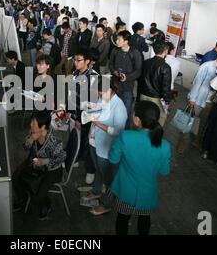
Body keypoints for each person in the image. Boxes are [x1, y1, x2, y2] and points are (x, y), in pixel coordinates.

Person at [109, 101, 171, 235]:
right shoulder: (165, 145)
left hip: (125, 191)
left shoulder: (125, 136)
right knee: (144, 220)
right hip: (147, 193)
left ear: (137, 120)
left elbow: (113, 159)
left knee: (122, 220)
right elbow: (164, 171)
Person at [85, 77, 128, 215]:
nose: (99, 94)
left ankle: (106, 203)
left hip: (106, 146)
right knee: (98, 169)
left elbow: (119, 131)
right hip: (94, 141)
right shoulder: (103, 98)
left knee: (109, 177)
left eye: (102, 91)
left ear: (112, 89)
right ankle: (97, 190)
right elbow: (97, 112)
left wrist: (99, 124)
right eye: (98, 92)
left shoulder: (119, 106)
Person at [12, 111, 66, 220]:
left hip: (52, 170)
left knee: (36, 198)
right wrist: (31, 140)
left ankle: (47, 203)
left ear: (43, 127)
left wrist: (44, 161)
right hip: (34, 163)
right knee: (15, 177)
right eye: (31, 122)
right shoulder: (33, 131)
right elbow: (25, 147)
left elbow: (62, 157)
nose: (31, 125)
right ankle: (22, 199)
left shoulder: (54, 139)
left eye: (33, 123)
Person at [69, 50, 99, 185]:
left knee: (87, 143)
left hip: (87, 117)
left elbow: (92, 104)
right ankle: (75, 158)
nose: (76, 63)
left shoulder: (94, 77)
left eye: (79, 60)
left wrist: (80, 119)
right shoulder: (75, 73)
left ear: (87, 61)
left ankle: (90, 170)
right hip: (76, 114)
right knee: (75, 138)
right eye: (75, 60)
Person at [109, 30, 142, 127]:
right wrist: (114, 71)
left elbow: (138, 71)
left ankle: (125, 131)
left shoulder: (135, 53)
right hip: (115, 85)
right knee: (113, 109)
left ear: (126, 41)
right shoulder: (115, 50)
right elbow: (110, 64)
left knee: (126, 111)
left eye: (119, 40)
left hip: (128, 87)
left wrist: (127, 77)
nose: (116, 41)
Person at [138, 41, 172, 127]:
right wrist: (166, 102)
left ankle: (141, 134)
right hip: (157, 99)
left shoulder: (146, 62)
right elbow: (166, 87)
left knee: (143, 116)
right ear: (165, 51)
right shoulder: (165, 67)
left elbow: (140, 80)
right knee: (160, 118)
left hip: (143, 95)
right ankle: (154, 136)